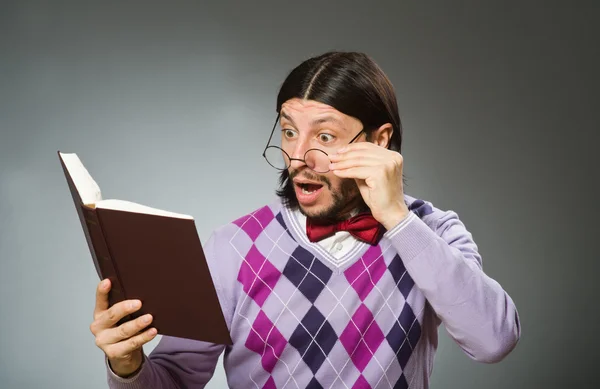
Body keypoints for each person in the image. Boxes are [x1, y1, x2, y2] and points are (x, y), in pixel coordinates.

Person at [90, 51, 520, 389]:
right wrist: (126, 366)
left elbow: (494, 340)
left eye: (326, 137)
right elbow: (174, 383)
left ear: (379, 140)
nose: (298, 158)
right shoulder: (233, 247)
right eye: (290, 131)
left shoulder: (434, 231)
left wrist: (397, 219)